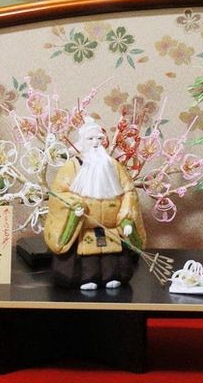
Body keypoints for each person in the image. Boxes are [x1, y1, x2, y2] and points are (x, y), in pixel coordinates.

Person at [43, 119, 146, 291]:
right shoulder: (71, 167)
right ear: (82, 142)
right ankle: (87, 278)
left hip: (112, 227)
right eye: (90, 139)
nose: (95, 143)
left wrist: (127, 219)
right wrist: (73, 205)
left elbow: (128, 191)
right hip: (83, 227)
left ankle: (112, 276)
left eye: (99, 138)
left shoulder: (113, 165)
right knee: (86, 257)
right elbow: (58, 193)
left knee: (112, 255)